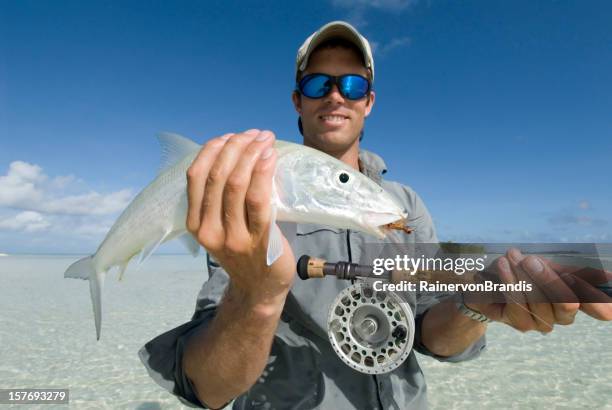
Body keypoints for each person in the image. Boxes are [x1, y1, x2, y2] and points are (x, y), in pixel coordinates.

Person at [139, 21, 612, 409]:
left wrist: (475, 304)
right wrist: (260, 297)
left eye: (351, 84)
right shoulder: (248, 206)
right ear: (297, 102)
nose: (335, 96)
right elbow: (207, 387)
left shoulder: (405, 205)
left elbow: (431, 334)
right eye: (318, 83)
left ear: (369, 101)